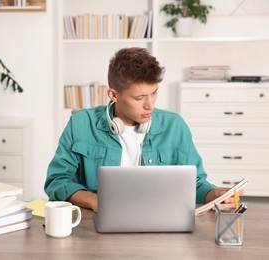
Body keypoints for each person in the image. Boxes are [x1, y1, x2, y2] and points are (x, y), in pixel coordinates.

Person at [44, 47, 240, 213]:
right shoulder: (81, 124)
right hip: (96, 224)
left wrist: (214, 194)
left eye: (154, 93)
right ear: (113, 94)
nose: (150, 105)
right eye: (139, 98)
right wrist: (94, 201)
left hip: (161, 221)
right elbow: (57, 181)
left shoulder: (175, 126)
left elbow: (194, 183)